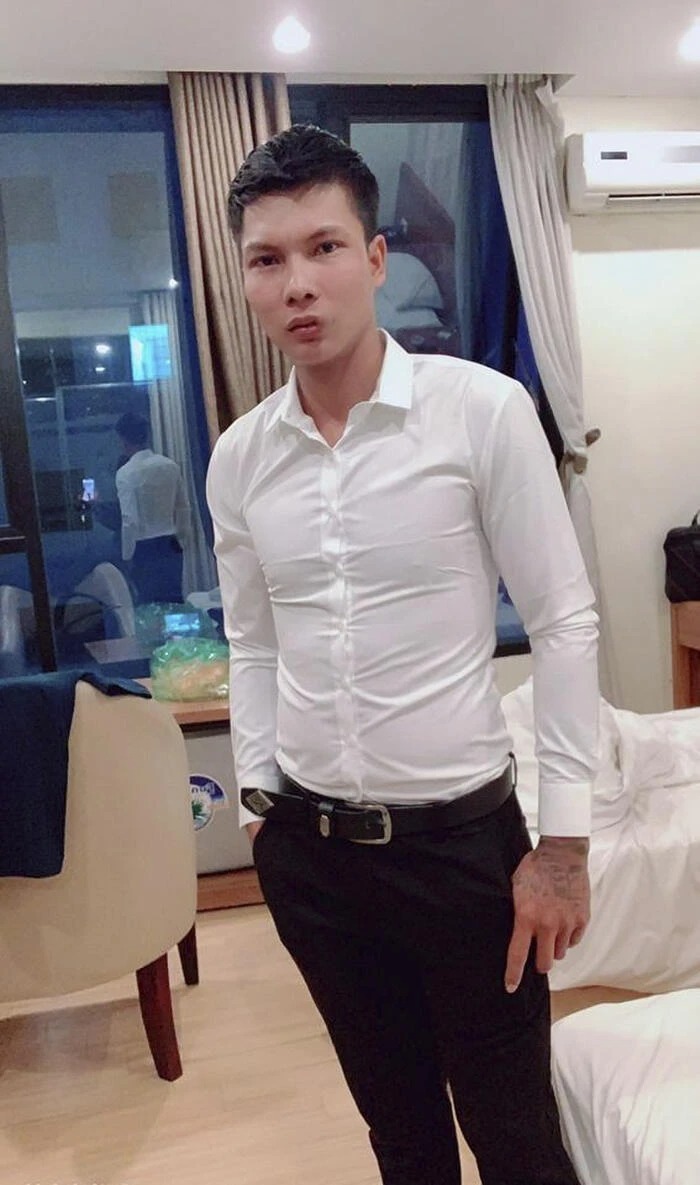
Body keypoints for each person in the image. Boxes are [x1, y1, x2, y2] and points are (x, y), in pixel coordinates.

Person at [206, 125, 599, 1185]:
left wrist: (564, 847)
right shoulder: (239, 459)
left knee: (517, 1140)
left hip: (463, 853)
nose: (298, 283)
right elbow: (252, 639)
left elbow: (564, 620)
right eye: (267, 258)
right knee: (402, 1140)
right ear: (245, 279)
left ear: (376, 259)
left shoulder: (481, 413)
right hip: (314, 858)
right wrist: (259, 806)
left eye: (324, 247)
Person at [114, 411, 190, 604]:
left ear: (123, 439)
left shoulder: (125, 474)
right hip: (171, 542)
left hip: (144, 548)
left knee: (149, 604)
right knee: (174, 601)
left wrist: (127, 555)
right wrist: (182, 540)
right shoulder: (170, 466)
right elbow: (183, 507)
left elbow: (129, 520)